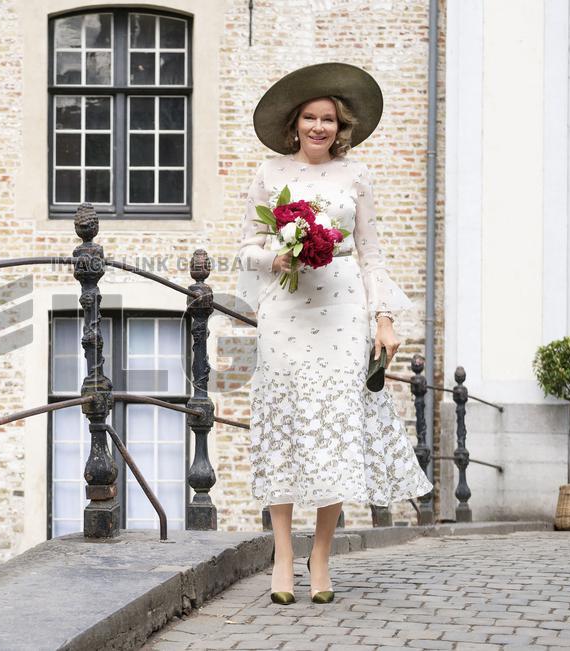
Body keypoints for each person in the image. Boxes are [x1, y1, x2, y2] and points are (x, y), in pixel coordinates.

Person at [236, 63, 434, 605]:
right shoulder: (269, 174)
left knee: (335, 426)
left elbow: (371, 255)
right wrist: (277, 255)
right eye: (310, 118)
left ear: (339, 126)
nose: (319, 127)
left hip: (344, 309)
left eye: (328, 119)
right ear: (294, 123)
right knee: (286, 424)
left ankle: (320, 554)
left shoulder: (357, 177)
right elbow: (245, 248)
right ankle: (282, 553)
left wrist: (385, 319)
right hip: (286, 309)